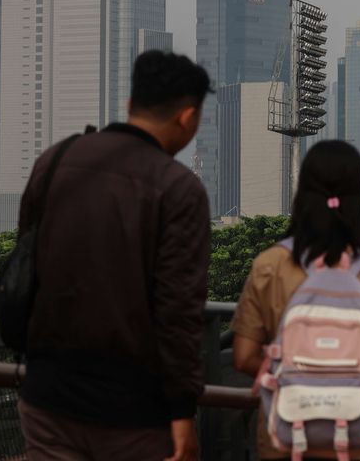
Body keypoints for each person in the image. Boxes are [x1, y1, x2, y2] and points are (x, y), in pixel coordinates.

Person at [16, 50, 213, 461]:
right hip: (134, 410)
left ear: (130, 105)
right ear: (187, 117)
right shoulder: (178, 188)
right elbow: (178, 310)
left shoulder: (56, 160)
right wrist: (182, 412)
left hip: (47, 393)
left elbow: (27, 261)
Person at [231, 140, 360, 460]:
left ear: (303, 191)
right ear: (358, 196)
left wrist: (295, 374)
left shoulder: (270, 265)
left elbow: (242, 357)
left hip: (287, 435)